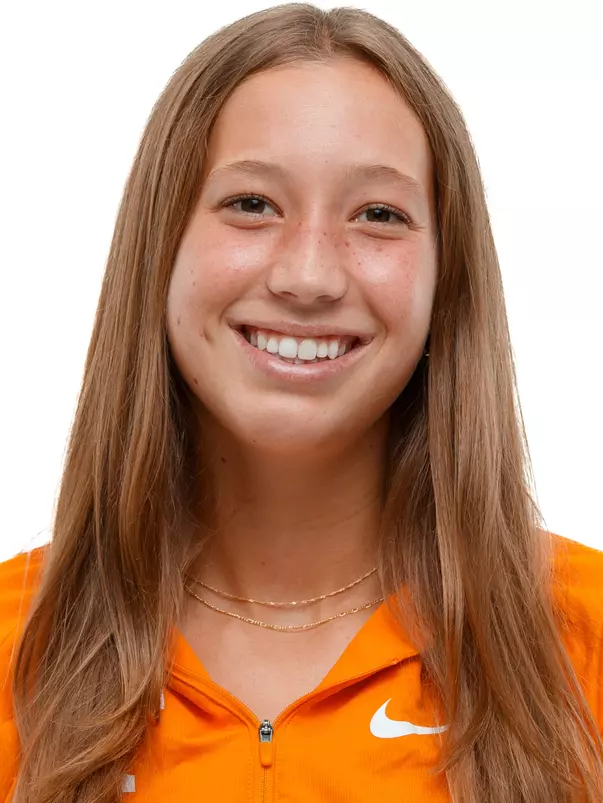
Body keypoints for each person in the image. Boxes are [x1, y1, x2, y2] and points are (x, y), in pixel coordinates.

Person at [1, 3, 602, 802]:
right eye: (251, 203)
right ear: (160, 244)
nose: (308, 276)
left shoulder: (583, 634)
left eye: (378, 214)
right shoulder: (15, 641)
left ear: (443, 280)